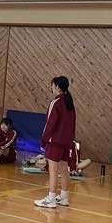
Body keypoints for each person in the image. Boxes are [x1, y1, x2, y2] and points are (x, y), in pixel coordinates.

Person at [34, 76, 76, 208]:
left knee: (53, 171)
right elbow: (73, 124)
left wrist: (43, 140)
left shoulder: (56, 102)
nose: (51, 87)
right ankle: (64, 197)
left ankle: (51, 199)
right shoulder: (70, 103)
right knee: (64, 170)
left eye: (52, 85)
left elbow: (49, 124)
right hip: (66, 142)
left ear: (57, 87)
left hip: (55, 142)